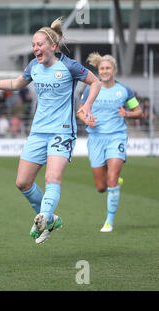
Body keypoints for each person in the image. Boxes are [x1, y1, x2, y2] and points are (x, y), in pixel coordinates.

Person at [0, 17, 101, 244]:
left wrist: (86, 106)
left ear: (53, 47)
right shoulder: (33, 67)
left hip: (62, 131)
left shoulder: (69, 65)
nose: (35, 48)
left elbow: (94, 82)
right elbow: (15, 84)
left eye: (39, 44)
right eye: (33, 45)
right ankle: (51, 219)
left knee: (52, 177)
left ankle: (45, 216)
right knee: (22, 182)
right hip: (38, 132)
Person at [78, 53, 143, 233]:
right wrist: (87, 120)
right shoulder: (90, 89)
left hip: (117, 137)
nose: (105, 71)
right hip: (96, 139)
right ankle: (113, 185)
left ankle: (109, 221)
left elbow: (139, 111)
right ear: (98, 71)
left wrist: (127, 114)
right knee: (101, 187)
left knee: (112, 178)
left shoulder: (124, 90)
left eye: (108, 68)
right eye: (102, 69)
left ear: (114, 70)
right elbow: (80, 112)